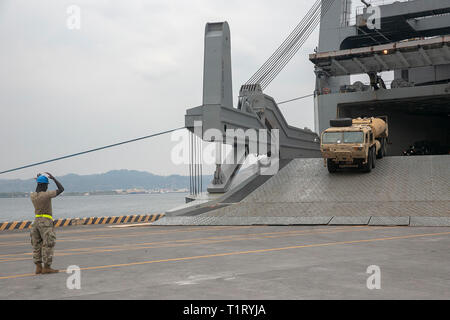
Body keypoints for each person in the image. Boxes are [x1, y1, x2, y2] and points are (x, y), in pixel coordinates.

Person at [30, 172, 64, 274]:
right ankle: (47, 267)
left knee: (37, 245)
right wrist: (53, 178)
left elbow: (39, 188)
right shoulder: (47, 195)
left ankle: (38, 267)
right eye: (46, 185)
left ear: (38, 184)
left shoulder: (33, 195)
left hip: (35, 222)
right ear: (45, 185)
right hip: (46, 222)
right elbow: (61, 189)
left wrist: (39, 179)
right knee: (48, 244)